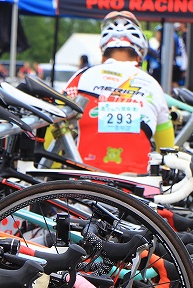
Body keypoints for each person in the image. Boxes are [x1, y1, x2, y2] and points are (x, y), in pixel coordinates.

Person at [62, 10, 174, 174]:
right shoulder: (152, 85)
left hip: (84, 184)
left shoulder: (80, 78)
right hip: (137, 187)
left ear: (103, 55)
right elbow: (168, 149)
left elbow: (55, 125)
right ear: (139, 57)